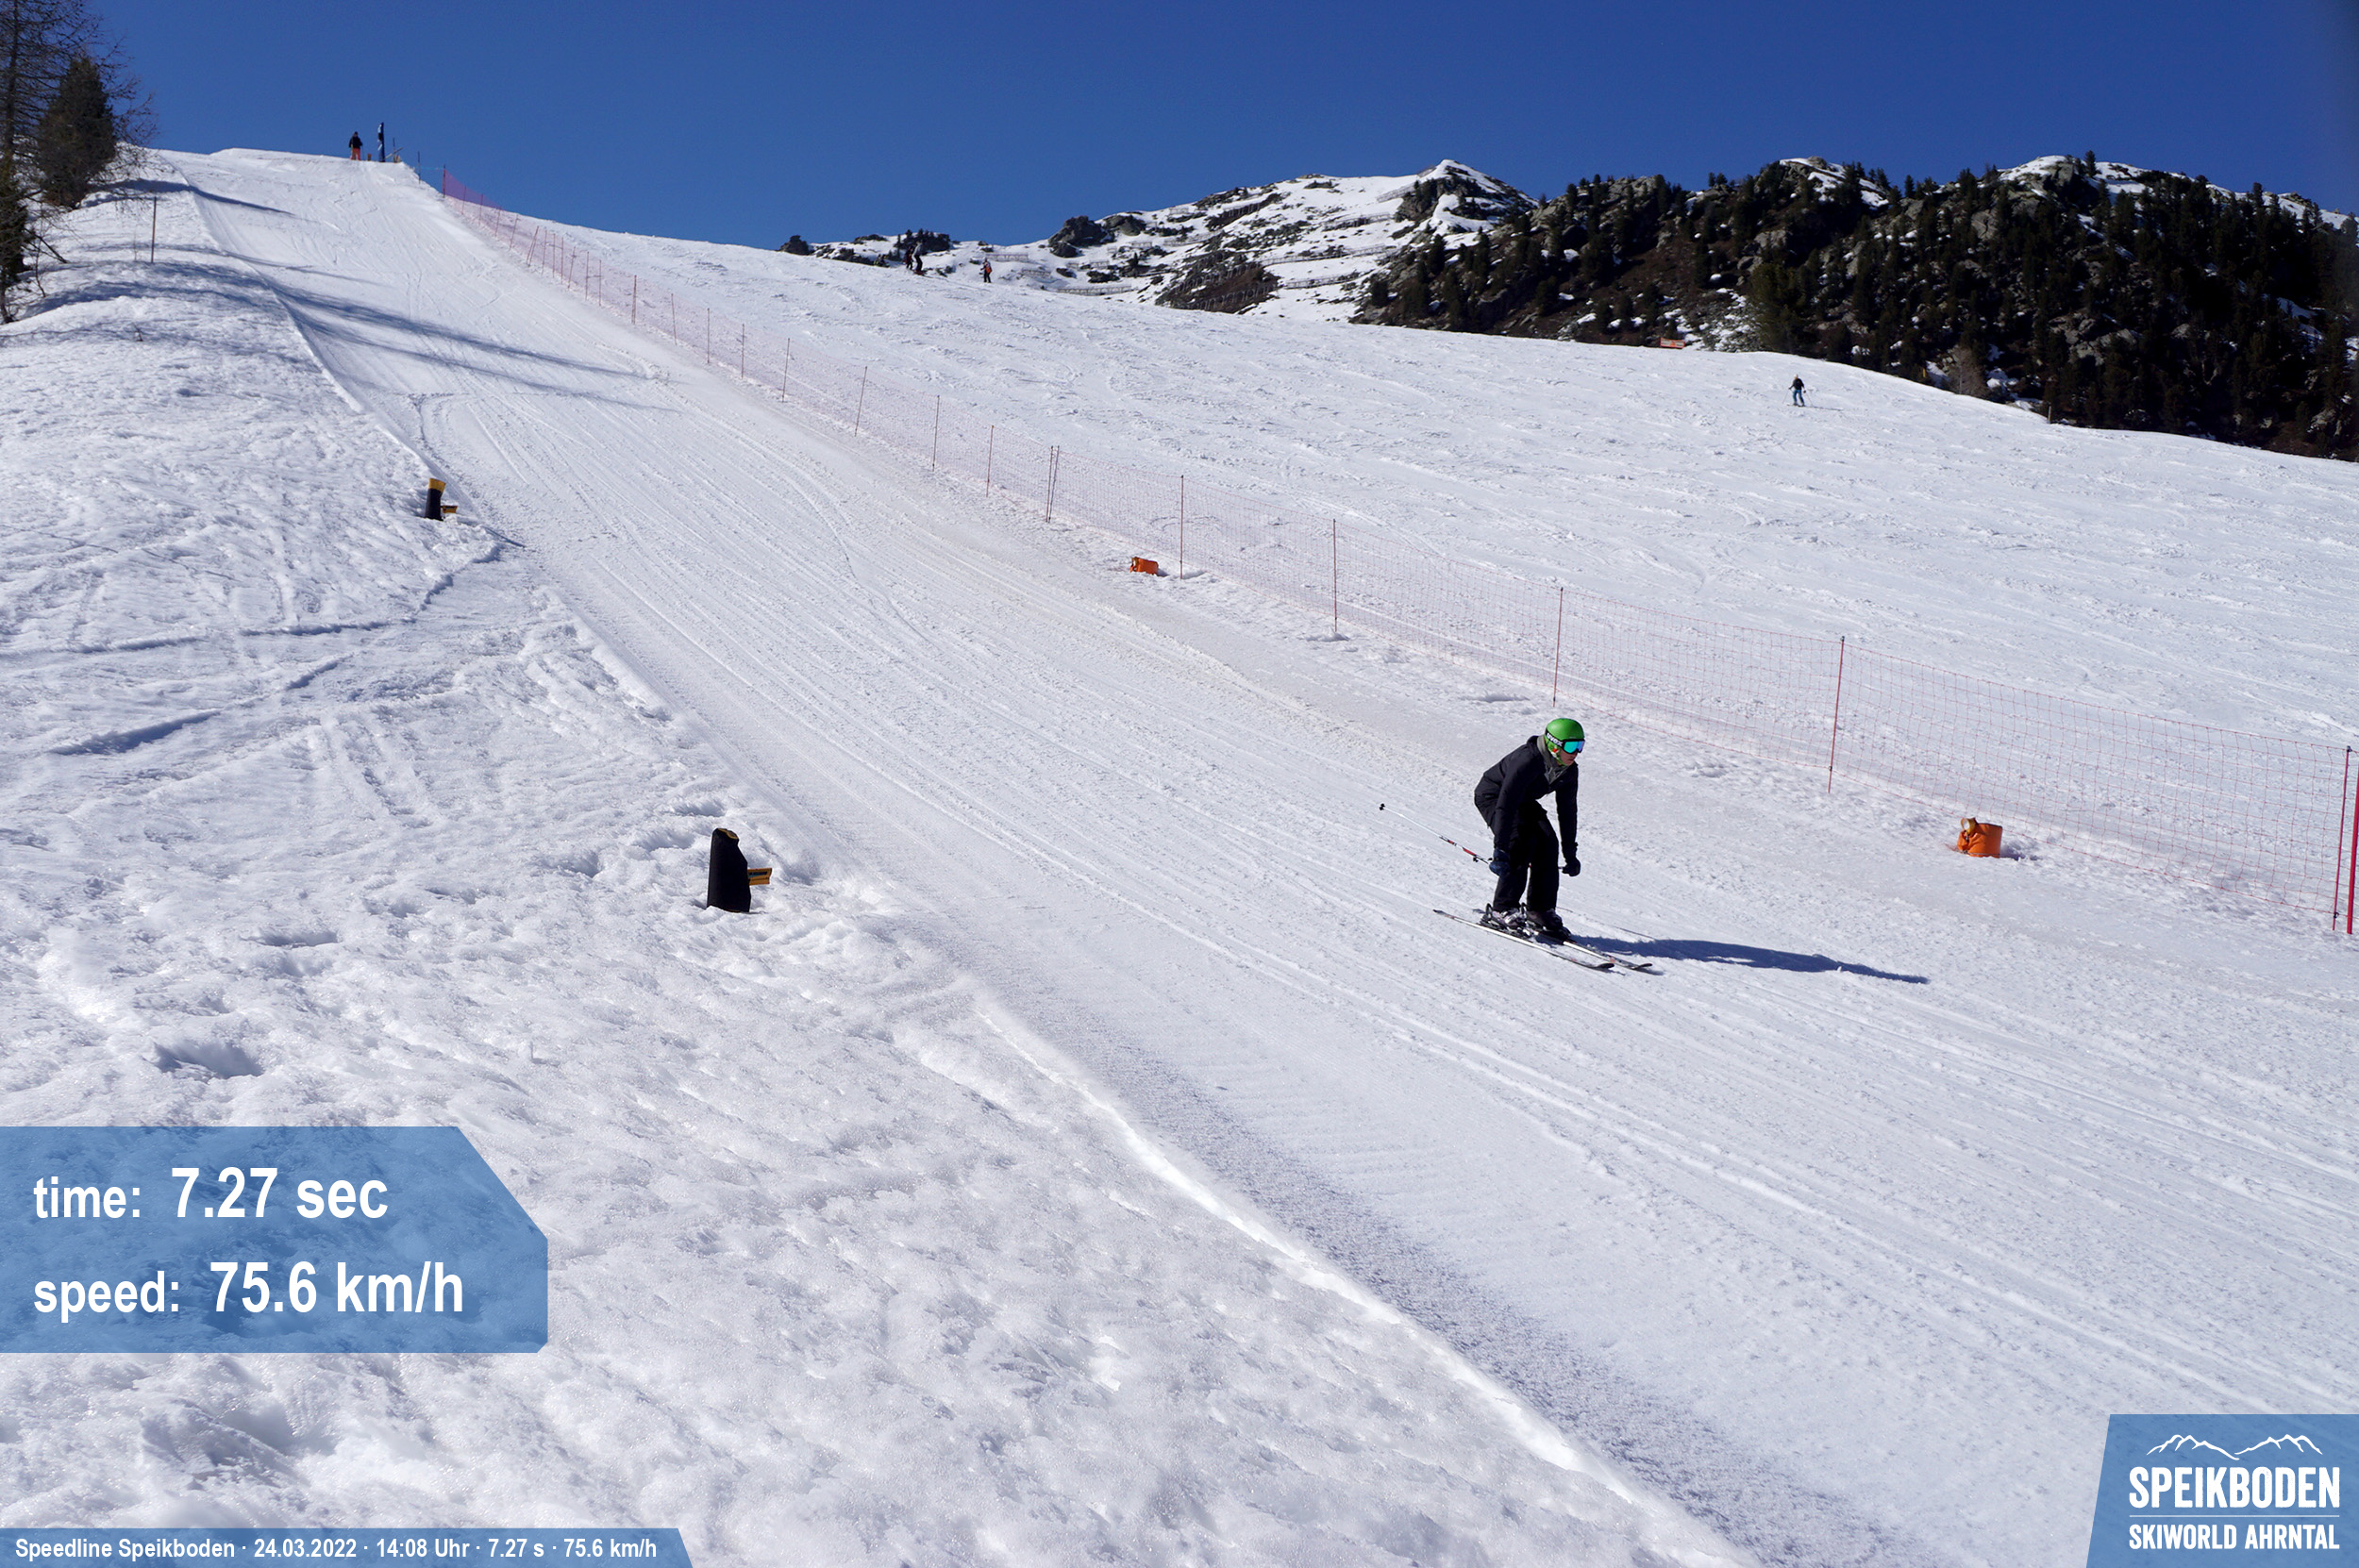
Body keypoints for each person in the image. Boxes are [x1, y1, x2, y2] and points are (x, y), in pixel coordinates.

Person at [1473, 718, 1582, 942]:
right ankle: (1502, 909)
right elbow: (1506, 803)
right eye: (1571, 746)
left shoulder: (1569, 770)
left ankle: (1540, 910)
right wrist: (1501, 848)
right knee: (1520, 840)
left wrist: (1570, 854)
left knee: (1548, 842)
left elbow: (1568, 811)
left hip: (1522, 800)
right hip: (1494, 796)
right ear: (1554, 744)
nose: (1576, 752)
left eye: (1580, 745)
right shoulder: (1528, 760)